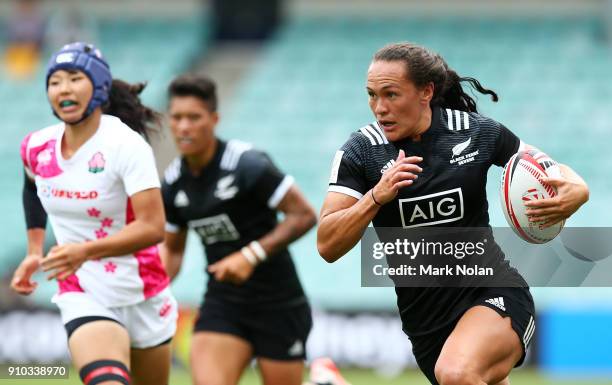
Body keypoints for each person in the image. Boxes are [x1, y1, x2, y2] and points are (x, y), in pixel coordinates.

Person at [317, 42, 589, 385]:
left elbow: (544, 166)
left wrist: (579, 188)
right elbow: (327, 244)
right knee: (456, 372)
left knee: (457, 373)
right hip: (426, 322)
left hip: (492, 290)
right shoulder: (361, 152)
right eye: (371, 95)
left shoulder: (474, 132)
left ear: (426, 92)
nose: (379, 108)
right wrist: (376, 197)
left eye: (391, 94)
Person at [10, 42, 177, 385]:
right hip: (83, 288)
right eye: (54, 81)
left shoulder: (125, 145)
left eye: (74, 78)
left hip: (142, 289)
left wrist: (83, 250)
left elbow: (153, 227)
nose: (64, 89)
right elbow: (31, 189)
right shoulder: (37, 147)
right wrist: (33, 251)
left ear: (98, 87)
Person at [160, 75, 317, 385]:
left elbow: (304, 215)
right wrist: (148, 292)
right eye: (177, 117)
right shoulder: (173, 181)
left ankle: (324, 379)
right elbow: (173, 249)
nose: (184, 127)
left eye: (194, 117)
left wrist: (251, 255)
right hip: (223, 300)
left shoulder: (247, 164)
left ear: (214, 119)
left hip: (278, 300)